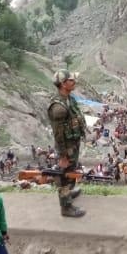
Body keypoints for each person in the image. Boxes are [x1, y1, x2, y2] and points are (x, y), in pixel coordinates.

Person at [47, 70, 87, 218]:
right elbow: (58, 135)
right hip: (66, 147)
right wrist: (63, 155)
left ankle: (69, 192)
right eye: (71, 80)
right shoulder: (58, 108)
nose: (74, 82)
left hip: (73, 143)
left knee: (71, 171)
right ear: (63, 84)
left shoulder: (69, 98)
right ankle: (66, 207)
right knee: (63, 175)